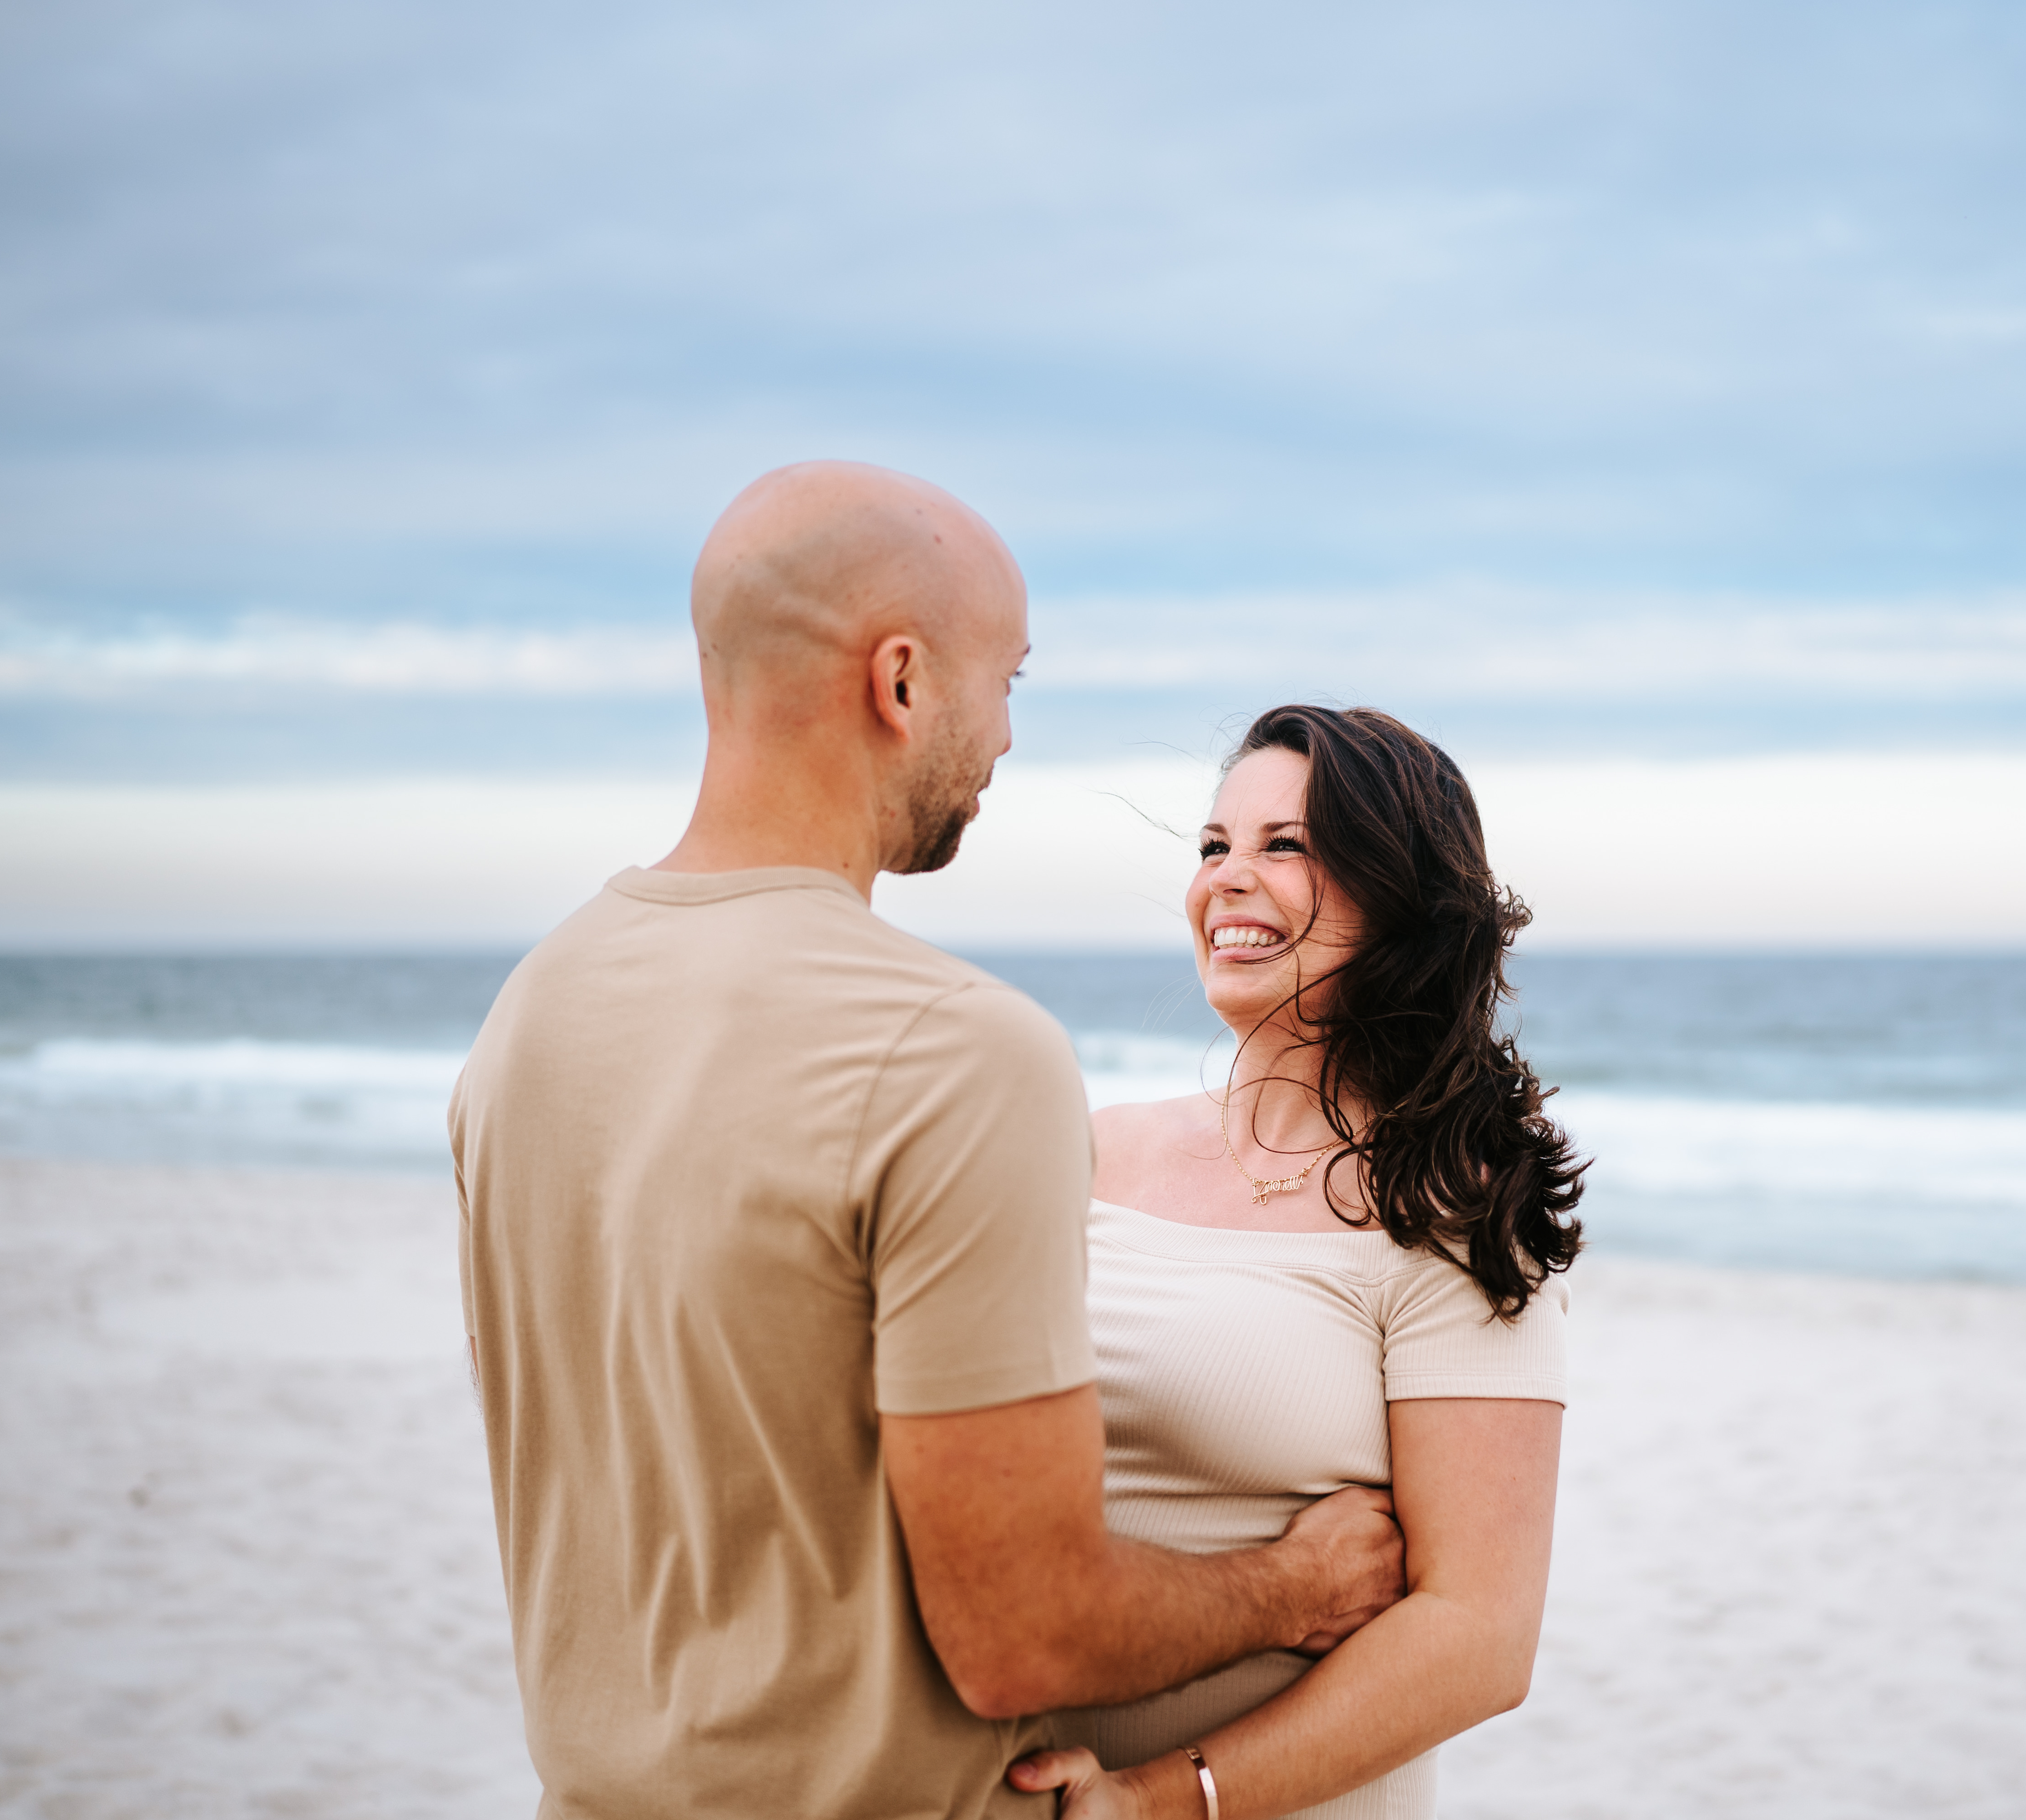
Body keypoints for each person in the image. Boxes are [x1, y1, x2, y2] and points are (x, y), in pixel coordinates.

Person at [449, 465, 1405, 1820]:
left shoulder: (531, 1013)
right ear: (901, 682)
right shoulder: (956, 1051)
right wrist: (1296, 1585)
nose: (1009, 734)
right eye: (1007, 678)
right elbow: (1027, 1630)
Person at [1009, 704, 1588, 1820]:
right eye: (1215, 844)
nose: (1227, 878)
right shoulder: (1081, 1151)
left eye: (1286, 845)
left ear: (1398, 895)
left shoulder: (1455, 1212)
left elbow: (1478, 1634)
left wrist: (1155, 1802)